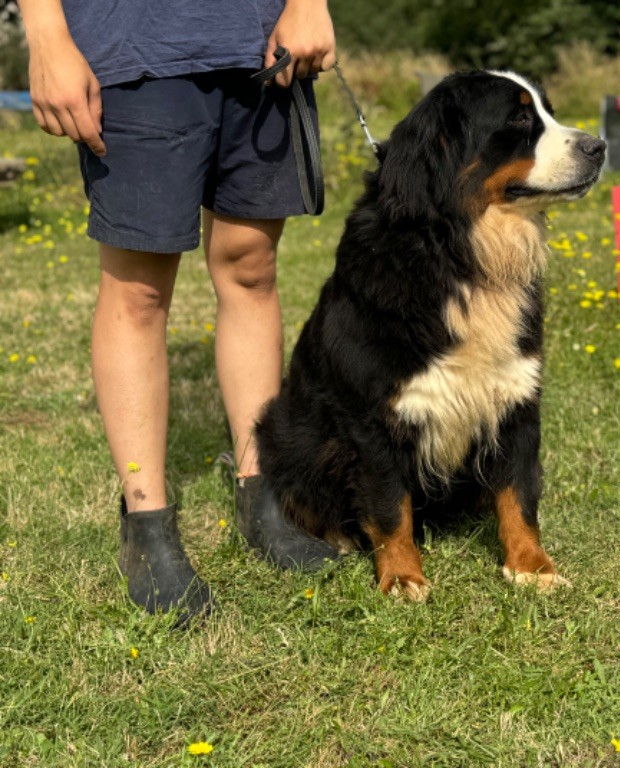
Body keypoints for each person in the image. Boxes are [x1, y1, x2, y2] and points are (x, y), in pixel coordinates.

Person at [20, 0, 341, 626]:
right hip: (135, 47)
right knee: (138, 289)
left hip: (259, 43)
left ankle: (262, 493)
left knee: (252, 266)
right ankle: (147, 524)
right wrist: (46, 35)